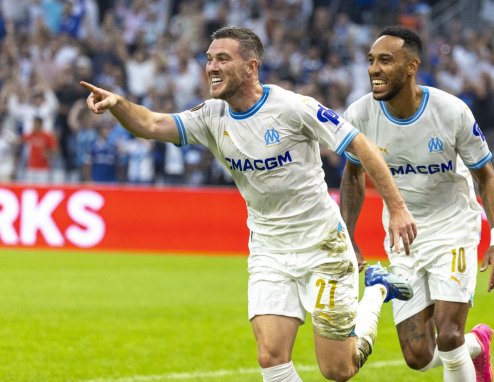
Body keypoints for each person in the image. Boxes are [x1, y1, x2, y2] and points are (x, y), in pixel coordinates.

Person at [81, 26, 418, 382]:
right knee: (270, 357)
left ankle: (378, 288)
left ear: (251, 67)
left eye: (223, 59)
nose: (212, 67)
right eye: (209, 59)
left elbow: (361, 145)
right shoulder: (211, 116)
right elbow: (150, 123)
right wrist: (118, 104)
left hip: (322, 247)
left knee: (338, 369)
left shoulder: (292, 108)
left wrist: (396, 207)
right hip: (268, 250)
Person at [340, 26, 494, 382]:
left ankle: (463, 342)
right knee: (418, 356)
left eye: (386, 60)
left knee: (448, 336)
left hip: (453, 228)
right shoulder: (360, 115)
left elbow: (486, 177)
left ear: (411, 66)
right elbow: (352, 176)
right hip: (405, 238)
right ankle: (478, 344)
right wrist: (348, 237)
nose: (374, 69)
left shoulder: (451, 112)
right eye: (371, 61)